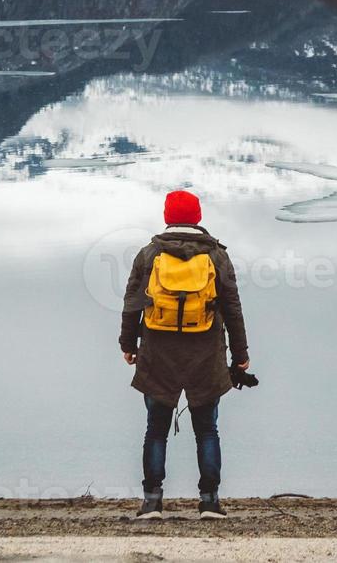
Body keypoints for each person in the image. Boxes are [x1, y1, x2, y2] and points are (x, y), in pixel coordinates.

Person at [120, 190, 249, 521]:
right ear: (198, 217)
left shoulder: (149, 254)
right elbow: (232, 307)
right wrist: (240, 355)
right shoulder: (216, 256)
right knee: (207, 430)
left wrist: (128, 345)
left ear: (167, 217)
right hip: (205, 355)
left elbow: (132, 302)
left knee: (155, 429)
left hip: (158, 354)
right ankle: (209, 502)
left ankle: (151, 504)